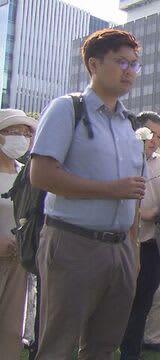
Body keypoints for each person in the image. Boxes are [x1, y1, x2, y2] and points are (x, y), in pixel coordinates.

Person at [30, 29, 144, 359]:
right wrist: (111, 190)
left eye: (134, 65)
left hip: (120, 247)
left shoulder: (130, 124)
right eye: (121, 62)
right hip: (73, 243)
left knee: (104, 346)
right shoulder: (67, 109)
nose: (129, 71)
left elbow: (133, 194)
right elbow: (42, 175)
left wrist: (132, 249)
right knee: (58, 343)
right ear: (93, 64)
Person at [119, 112, 160, 359]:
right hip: (123, 240)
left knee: (144, 300)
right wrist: (144, 213)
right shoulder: (122, 159)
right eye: (150, 134)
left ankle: (131, 352)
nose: (155, 140)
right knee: (119, 300)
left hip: (153, 242)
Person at [0, 109, 36, 359]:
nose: (21, 138)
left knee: (11, 327)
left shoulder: (27, 173)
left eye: (26, 133)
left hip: (18, 260)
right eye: (14, 132)